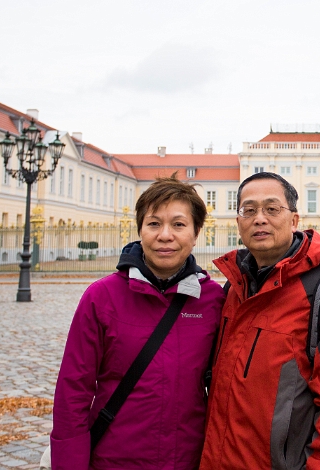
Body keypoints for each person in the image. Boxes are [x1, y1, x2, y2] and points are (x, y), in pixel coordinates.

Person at [201, 172, 320, 469]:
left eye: (272, 208)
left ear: (294, 221)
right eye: (249, 210)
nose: (259, 218)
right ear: (238, 222)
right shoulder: (231, 289)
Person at [51, 176, 224, 469]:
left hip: (187, 459)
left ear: (196, 234)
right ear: (140, 230)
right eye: (154, 223)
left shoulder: (213, 300)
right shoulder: (101, 297)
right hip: (114, 459)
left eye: (179, 224)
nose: (165, 235)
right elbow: (73, 390)